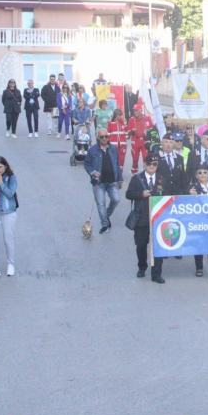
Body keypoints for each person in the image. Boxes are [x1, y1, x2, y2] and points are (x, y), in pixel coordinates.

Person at [125, 155, 165, 283]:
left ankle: (156, 273)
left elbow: (168, 193)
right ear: (145, 165)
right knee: (141, 245)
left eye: (154, 164)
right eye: (149, 164)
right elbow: (128, 194)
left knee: (158, 246)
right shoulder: (137, 179)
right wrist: (140, 194)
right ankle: (142, 266)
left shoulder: (161, 179)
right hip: (141, 217)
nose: (152, 167)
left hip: (158, 218)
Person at [84, 128, 122, 234]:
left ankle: (106, 216)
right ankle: (105, 224)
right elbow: (86, 164)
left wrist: (120, 179)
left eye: (106, 136)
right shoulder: (92, 150)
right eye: (102, 137)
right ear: (98, 138)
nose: (105, 139)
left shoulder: (113, 149)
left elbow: (117, 164)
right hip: (99, 183)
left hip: (112, 181)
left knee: (116, 200)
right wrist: (92, 172)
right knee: (101, 204)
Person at [127, 101, 153, 174]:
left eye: (136, 110)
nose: (135, 112)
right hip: (135, 141)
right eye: (134, 110)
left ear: (140, 110)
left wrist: (148, 133)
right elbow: (128, 132)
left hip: (145, 141)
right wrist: (132, 131)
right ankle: (134, 174)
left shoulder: (147, 118)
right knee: (135, 159)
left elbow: (152, 129)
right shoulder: (131, 119)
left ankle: (146, 174)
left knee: (146, 158)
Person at [107, 108, 128, 176]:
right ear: (115, 115)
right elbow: (108, 133)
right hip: (113, 145)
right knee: (114, 158)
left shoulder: (123, 123)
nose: (120, 116)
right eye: (118, 115)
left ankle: (120, 172)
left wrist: (124, 124)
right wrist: (108, 143)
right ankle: (114, 172)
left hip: (122, 144)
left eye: (120, 115)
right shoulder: (110, 123)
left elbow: (126, 133)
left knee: (122, 159)